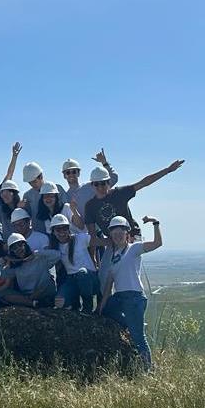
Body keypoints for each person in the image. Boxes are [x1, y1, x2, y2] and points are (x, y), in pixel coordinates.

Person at [98, 215, 163, 372]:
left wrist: (155, 223)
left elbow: (157, 243)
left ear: (127, 233)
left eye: (121, 231)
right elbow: (109, 283)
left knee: (138, 338)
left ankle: (148, 370)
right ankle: (132, 324)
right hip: (120, 297)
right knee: (107, 311)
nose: (117, 234)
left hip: (134, 297)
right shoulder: (114, 255)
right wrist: (102, 304)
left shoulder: (134, 248)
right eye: (114, 232)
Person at [83, 159, 184, 241]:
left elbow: (144, 183)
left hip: (132, 237)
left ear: (109, 182)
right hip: (113, 242)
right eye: (97, 184)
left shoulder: (119, 193)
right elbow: (93, 238)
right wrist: (108, 245)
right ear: (92, 185)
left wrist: (168, 170)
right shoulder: (90, 206)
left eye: (103, 183)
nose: (100, 187)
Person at [0, 233, 61, 308]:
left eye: (20, 245)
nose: (18, 249)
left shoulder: (40, 258)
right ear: (12, 251)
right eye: (14, 248)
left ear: (25, 245)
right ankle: (34, 303)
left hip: (43, 291)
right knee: (3, 293)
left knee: (49, 282)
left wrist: (36, 253)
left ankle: (29, 302)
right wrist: (4, 259)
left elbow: (58, 255)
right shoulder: (15, 267)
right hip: (27, 295)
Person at [47, 214, 98, 314]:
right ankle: (74, 305)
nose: (62, 232)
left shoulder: (80, 238)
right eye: (58, 229)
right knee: (59, 302)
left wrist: (118, 241)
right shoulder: (55, 248)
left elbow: (97, 241)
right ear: (53, 232)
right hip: (72, 280)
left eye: (64, 228)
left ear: (69, 229)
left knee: (82, 273)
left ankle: (88, 306)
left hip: (89, 279)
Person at [61, 149, 120, 217]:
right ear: (64, 175)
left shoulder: (92, 185)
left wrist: (104, 162)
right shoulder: (66, 197)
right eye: (68, 172)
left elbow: (114, 178)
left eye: (74, 171)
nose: (71, 174)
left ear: (78, 173)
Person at [21, 161, 68, 232]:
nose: (32, 185)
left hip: (60, 233)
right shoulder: (27, 195)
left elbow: (66, 210)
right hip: (40, 235)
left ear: (41, 176)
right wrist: (21, 208)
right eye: (30, 183)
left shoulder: (58, 189)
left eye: (34, 181)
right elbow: (27, 217)